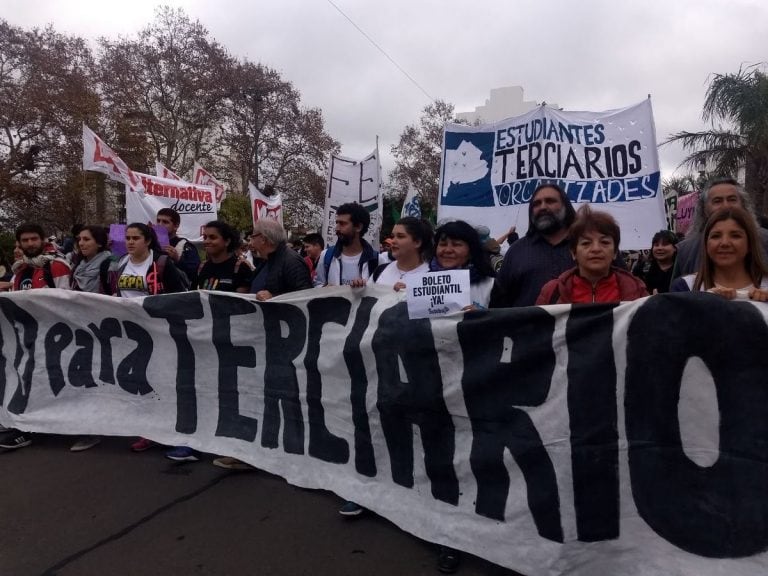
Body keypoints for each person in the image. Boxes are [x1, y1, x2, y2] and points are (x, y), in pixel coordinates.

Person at [342, 217, 434, 519]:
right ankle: (367, 490)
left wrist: (407, 296)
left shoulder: (433, 274)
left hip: (414, 367)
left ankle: (413, 494)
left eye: (400, 236)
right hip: (376, 363)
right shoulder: (380, 270)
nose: (391, 241)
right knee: (371, 424)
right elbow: (365, 310)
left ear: (418, 242)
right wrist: (359, 289)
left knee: (411, 430)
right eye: (391, 236)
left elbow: (440, 317)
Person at [165, 220, 254, 464]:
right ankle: (194, 442)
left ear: (227, 241)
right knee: (200, 390)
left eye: (213, 237)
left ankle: (232, 444)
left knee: (229, 392)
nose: (207, 241)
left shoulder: (241, 268)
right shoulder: (203, 267)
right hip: (204, 340)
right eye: (205, 237)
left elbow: (245, 306)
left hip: (231, 341)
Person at [111, 223, 188, 452]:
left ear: (148, 241)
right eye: (127, 238)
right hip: (132, 334)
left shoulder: (162, 264)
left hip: (161, 332)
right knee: (141, 382)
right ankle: (149, 431)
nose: (130, 242)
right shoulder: (121, 263)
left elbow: (180, 296)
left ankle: (176, 435)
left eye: (136, 238)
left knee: (165, 383)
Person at [0, 223, 72, 451]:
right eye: (25, 240)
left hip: (56, 336)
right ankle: (29, 427)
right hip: (28, 338)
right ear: (19, 244)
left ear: (43, 240)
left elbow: (70, 303)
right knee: (30, 380)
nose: (30, 244)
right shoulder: (19, 270)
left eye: (34, 239)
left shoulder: (57, 267)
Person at [536, 206, 648, 304]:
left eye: (604, 242)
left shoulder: (637, 290)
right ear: (573, 252)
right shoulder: (552, 292)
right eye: (586, 243)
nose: (596, 249)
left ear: (615, 252)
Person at [68, 225, 115, 452]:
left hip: (103, 327)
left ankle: (96, 428)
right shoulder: (78, 265)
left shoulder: (109, 263)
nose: (81, 243)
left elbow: (114, 295)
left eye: (86, 239)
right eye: (79, 239)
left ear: (99, 242)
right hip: (81, 327)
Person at [497, 183, 578, 307]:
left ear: (565, 207)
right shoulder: (516, 251)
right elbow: (499, 304)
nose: (543, 207)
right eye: (536, 204)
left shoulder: (587, 246)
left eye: (550, 201)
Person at [673, 177, 768, 277]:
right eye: (717, 201)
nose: (725, 206)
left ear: (743, 205)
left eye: (732, 199)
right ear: (704, 209)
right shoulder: (686, 250)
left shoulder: (765, 240)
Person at [671, 207, 768, 300]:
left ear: (750, 244)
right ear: (706, 244)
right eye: (716, 236)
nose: (725, 243)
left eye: (735, 236)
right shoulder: (685, 287)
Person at [431, 220, 497, 310]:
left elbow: (504, 321)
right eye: (443, 244)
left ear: (471, 251)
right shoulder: (422, 283)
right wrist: (407, 294)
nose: (448, 250)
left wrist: (481, 317)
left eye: (456, 245)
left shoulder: (491, 285)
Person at [314, 203, 379, 287]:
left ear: (358, 227)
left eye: (342, 224)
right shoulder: (326, 256)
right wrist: (325, 289)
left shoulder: (376, 259)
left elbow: (382, 292)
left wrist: (364, 289)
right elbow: (317, 284)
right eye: (337, 223)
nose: (336, 228)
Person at [249, 219, 312, 300]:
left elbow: (304, 297)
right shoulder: (267, 259)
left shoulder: (293, 262)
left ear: (263, 239)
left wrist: (273, 297)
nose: (251, 243)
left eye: (253, 237)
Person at [156, 207, 200, 286]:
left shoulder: (185, 246)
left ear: (176, 226)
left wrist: (177, 259)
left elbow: (194, 274)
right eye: (158, 221)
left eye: (165, 222)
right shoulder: (150, 244)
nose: (160, 225)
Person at [632, 230, 678, 294]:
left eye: (664, 244)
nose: (659, 248)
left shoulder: (682, 268)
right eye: (656, 245)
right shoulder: (641, 269)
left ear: (675, 247)